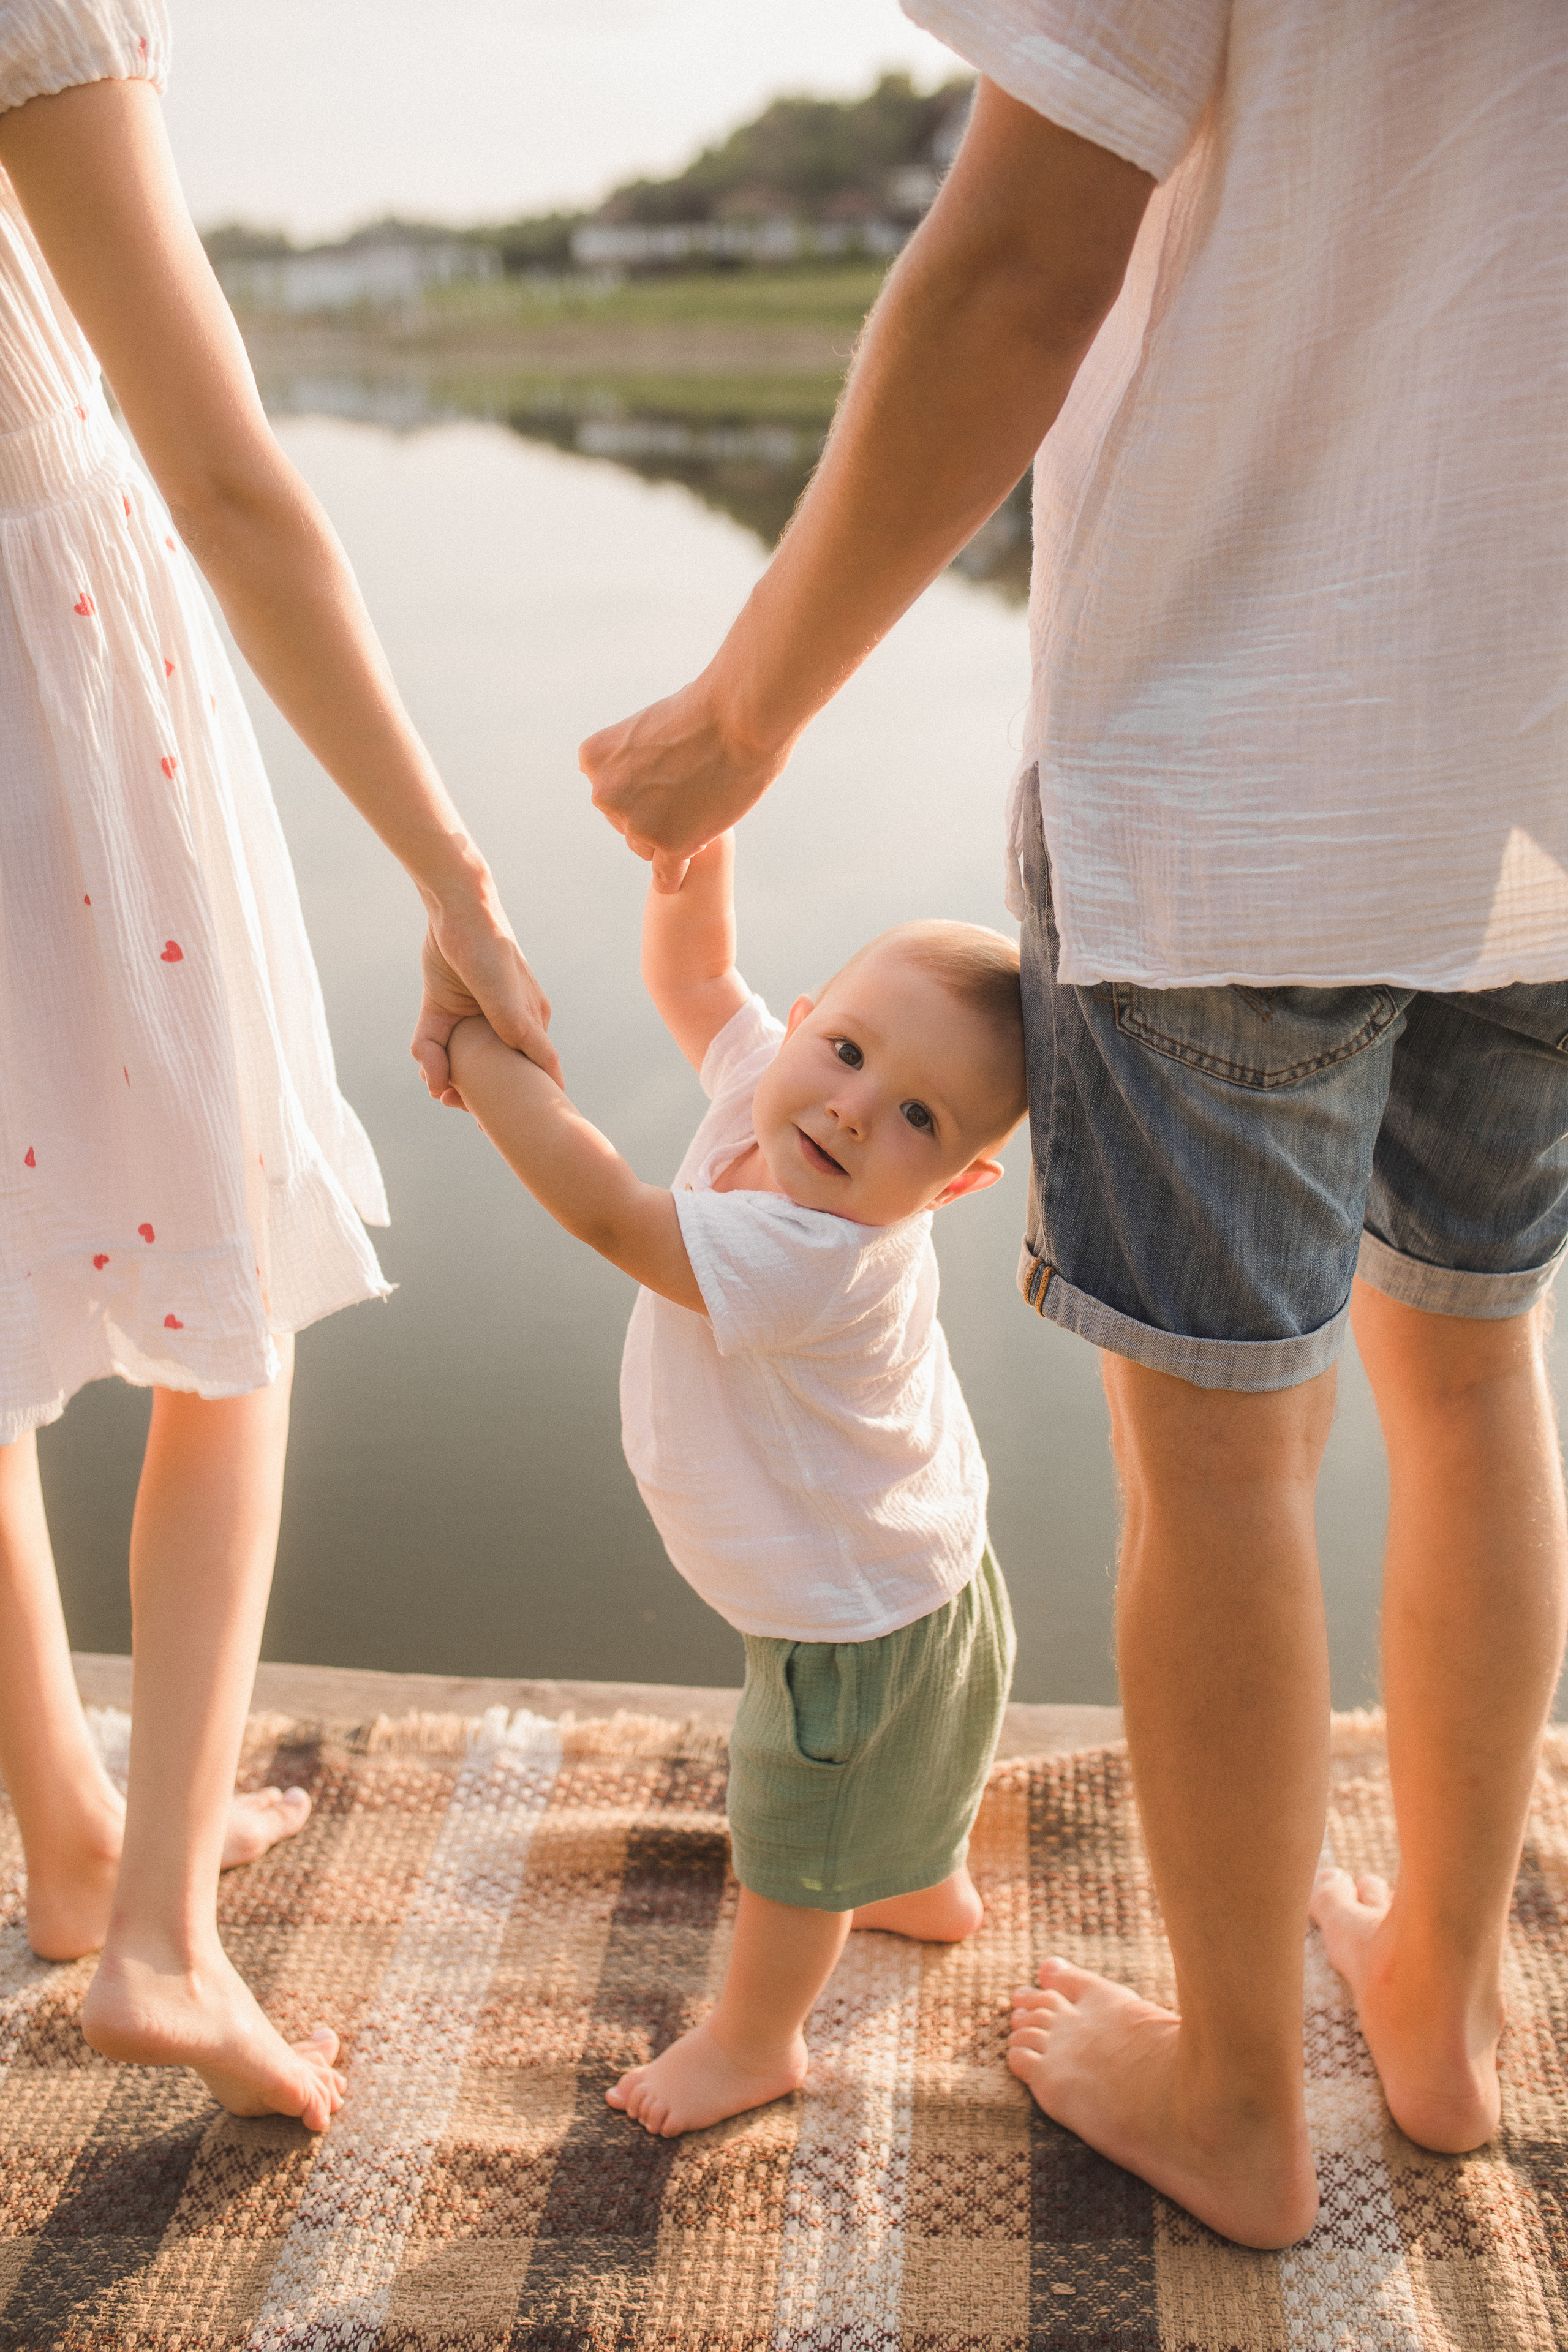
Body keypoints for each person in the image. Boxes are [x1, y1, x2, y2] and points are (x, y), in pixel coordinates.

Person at [578, 6, 1568, 2249]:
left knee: (1223, 1460)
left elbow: (1022, 265)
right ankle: (1440, 2004)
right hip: (1546, 768)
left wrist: (745, 711)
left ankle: (1238, 2102)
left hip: (1248, 755)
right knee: (1475, 1369)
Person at [0, 0, 557, 2132]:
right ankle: (158, 1939)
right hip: (52, 682)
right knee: (226, 1303)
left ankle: (76, 1834)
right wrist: (454, 869)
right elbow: (226, 475)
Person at [442, 830, 1023, 2135]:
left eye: (919, 1119)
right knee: (906, 1757)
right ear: (804, 1022)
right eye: (849, 1051)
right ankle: (916, 1883)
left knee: (790, 1839)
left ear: (960, 1183)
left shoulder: (816, 1252)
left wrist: (480, 1056)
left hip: (847, 1617)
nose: (853, 1109)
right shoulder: (779, 1087)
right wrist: (695, 843)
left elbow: (610, 1213)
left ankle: (756, 2041)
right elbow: (695, 977)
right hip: (916, 1564)